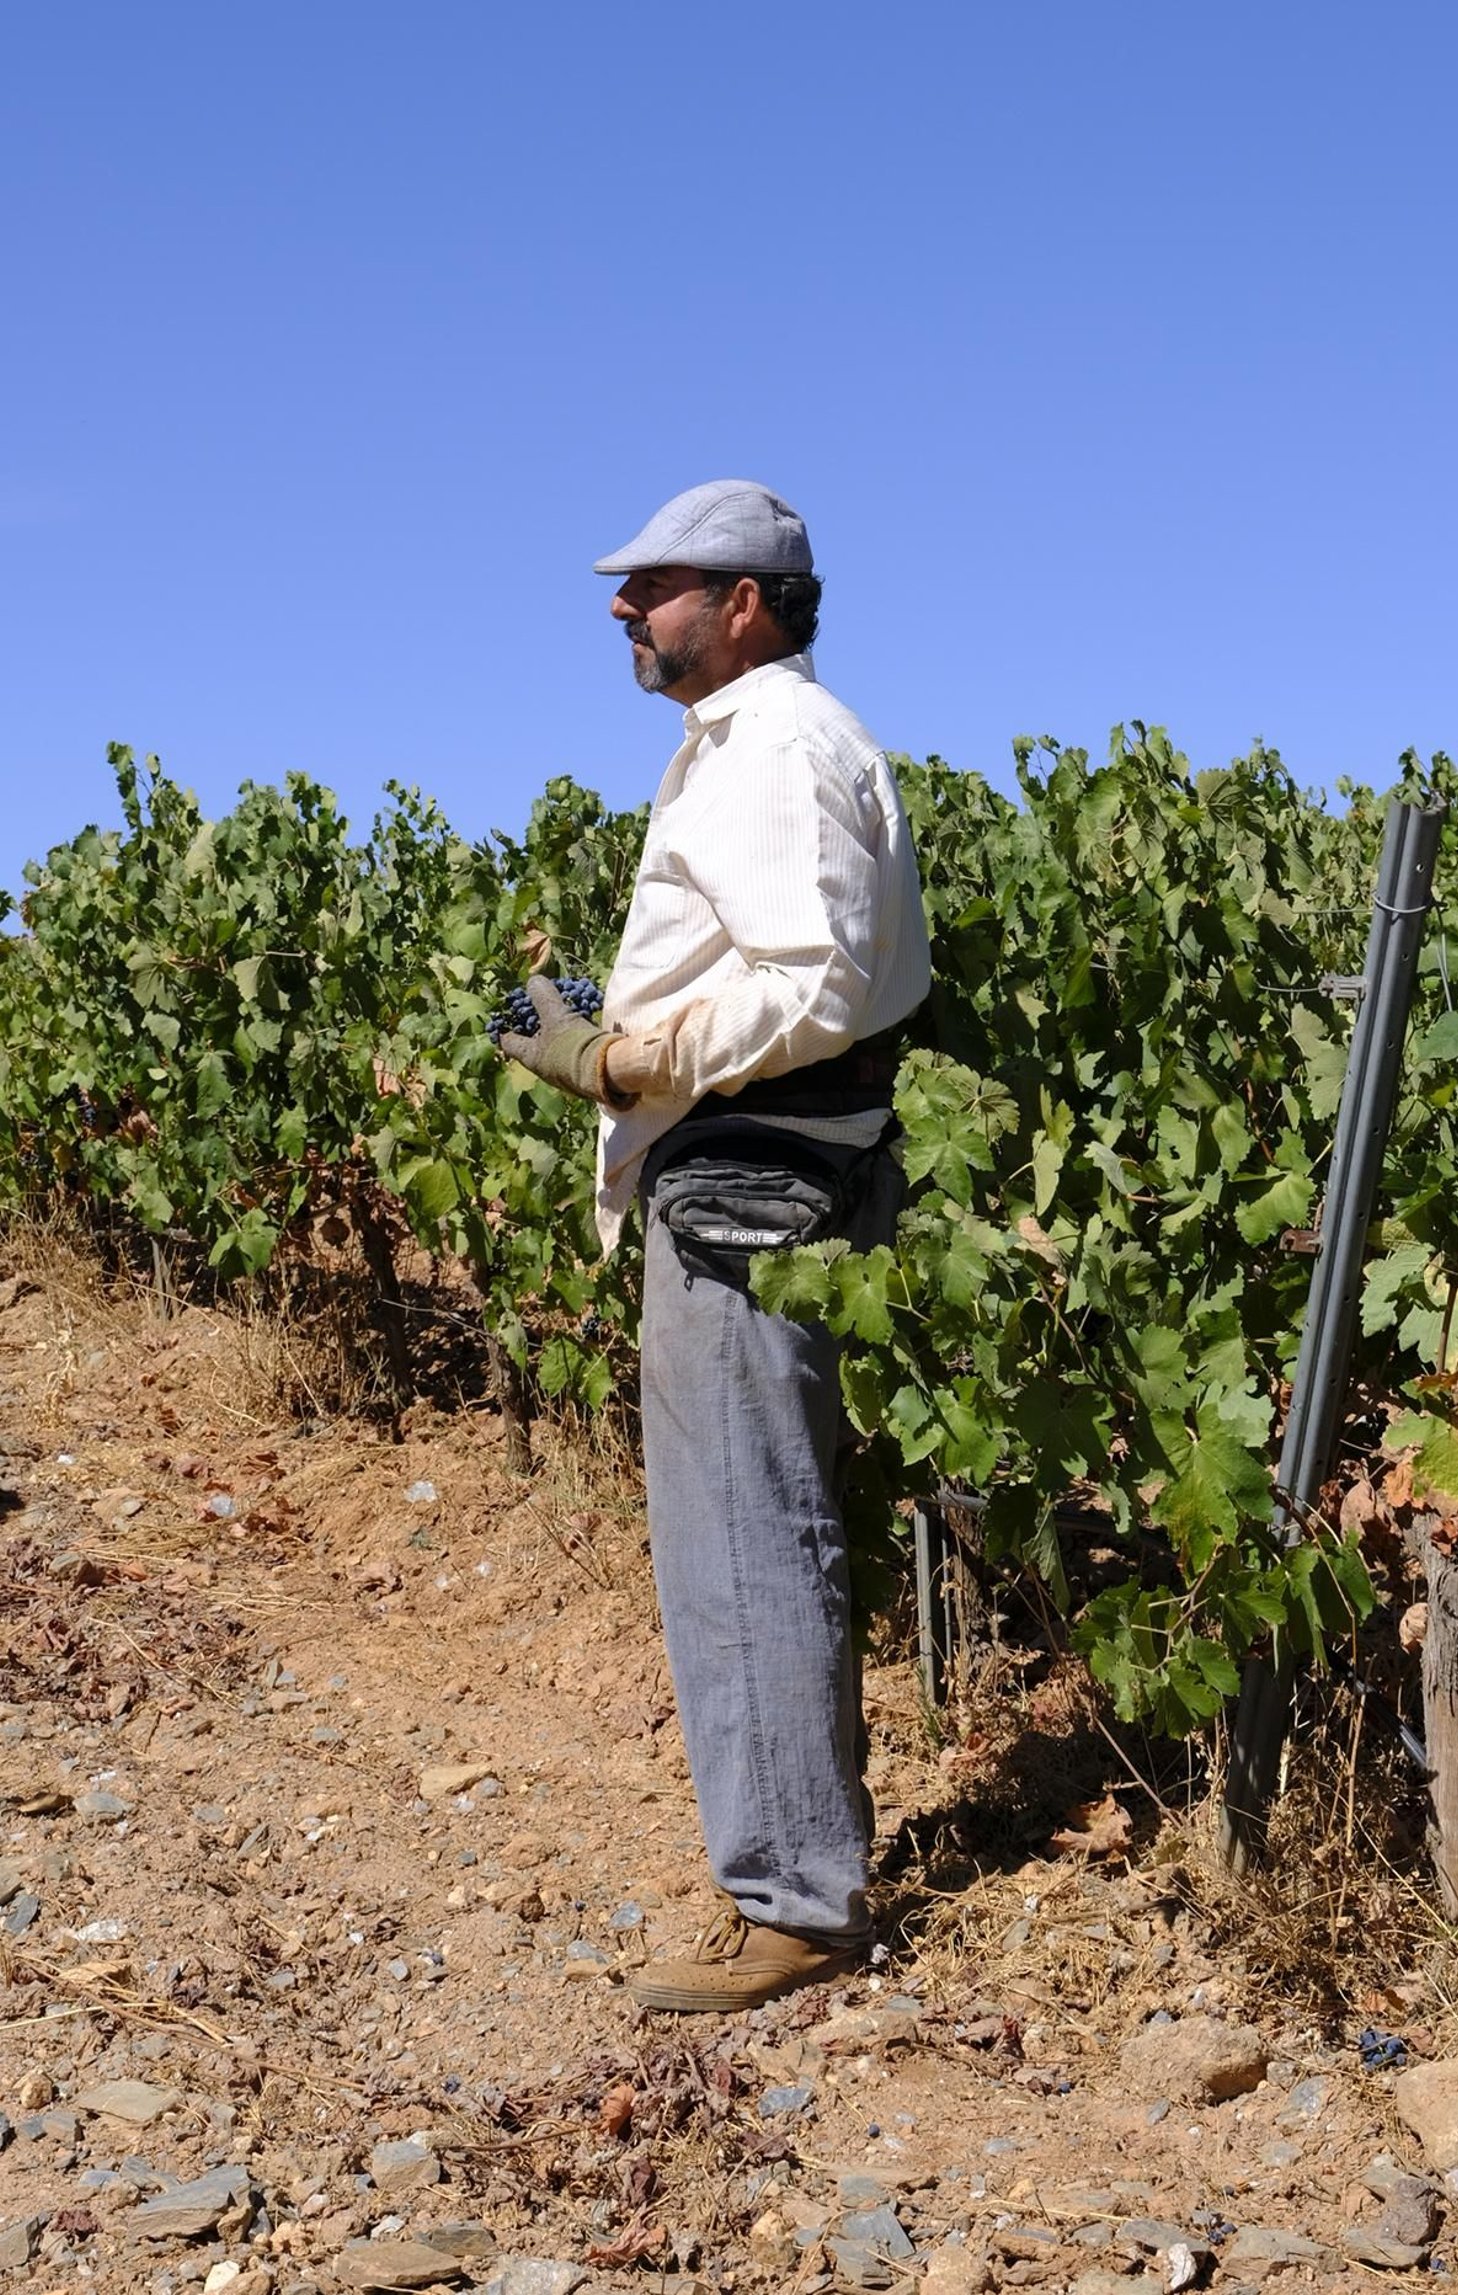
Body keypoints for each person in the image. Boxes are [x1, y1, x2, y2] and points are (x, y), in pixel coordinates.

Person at [494, 479, 930, 2012]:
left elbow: (813, 988)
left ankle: (799, 1901)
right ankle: (789, 1874)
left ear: (744, 603)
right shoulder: (745, 748)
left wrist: (622, 1061)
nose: (623, 607)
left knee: (746, 1533)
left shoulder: (782, 749)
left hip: (750, 1178)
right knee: (745, 1524)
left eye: (657, 585)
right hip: (742, 1166)